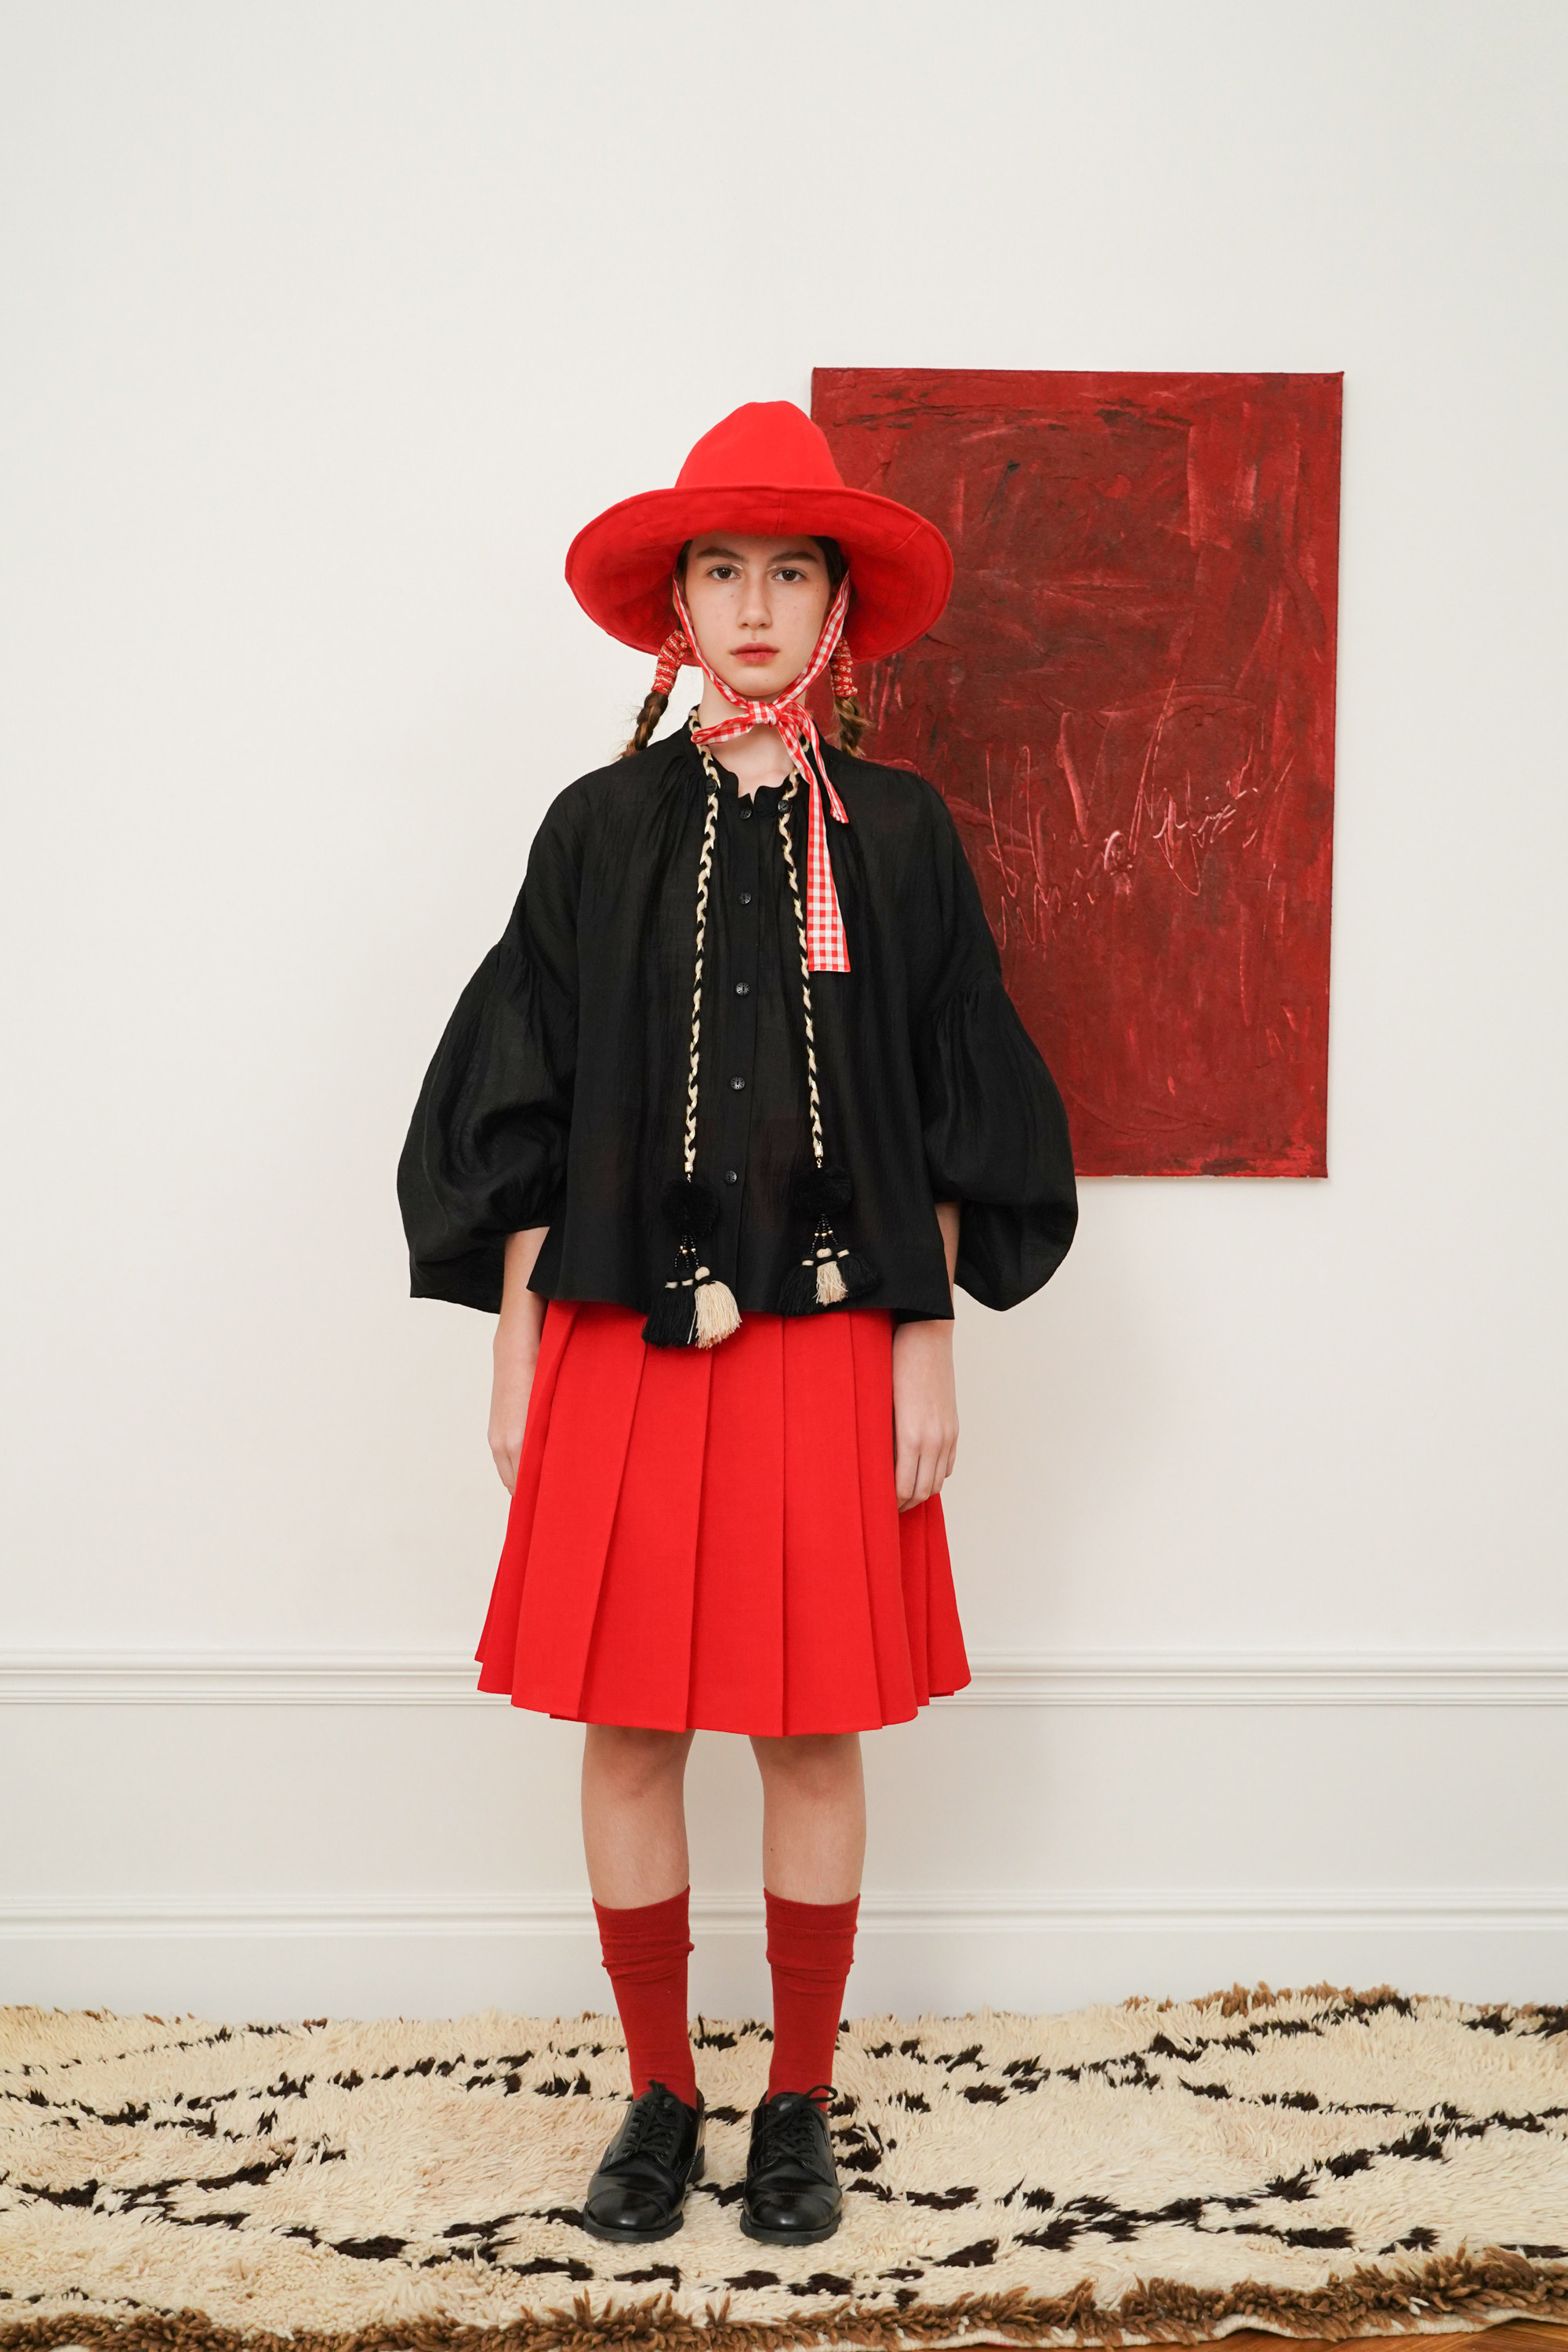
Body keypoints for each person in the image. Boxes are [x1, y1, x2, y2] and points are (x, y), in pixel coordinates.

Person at [397, 401, 1077, 2250]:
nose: (755, 606)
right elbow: (524, 1098)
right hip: (618, 1336)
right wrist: (515, 1342)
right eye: (722, 571)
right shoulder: (597, 827)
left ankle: (796, 2101)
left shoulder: (904, 835)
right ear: (675, 608)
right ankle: (658, 2094)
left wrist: (927, 1335)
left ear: (836, 608)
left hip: (836, 1339)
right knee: (628, 1728)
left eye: (789, 573)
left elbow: (950, 1098)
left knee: (808, 1729)